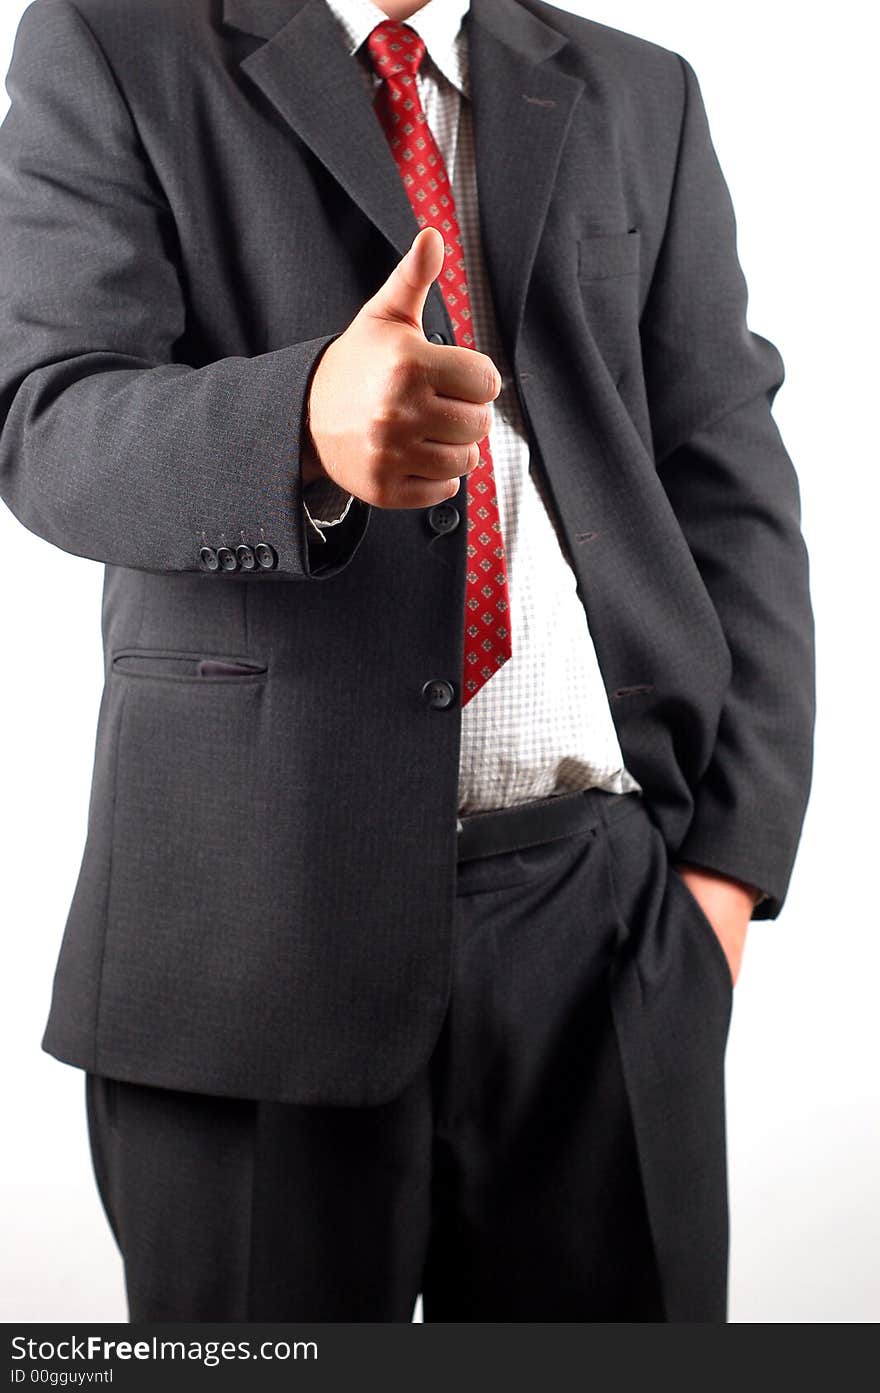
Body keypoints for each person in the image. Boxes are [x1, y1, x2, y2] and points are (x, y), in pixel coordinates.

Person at [0, 0, 815, 1322]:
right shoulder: (110, 41)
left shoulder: (640, 91)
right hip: (249, 928)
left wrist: (723, 876)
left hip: (608, 927)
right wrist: (301, 422)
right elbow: (45, 414)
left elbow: (732, 486)